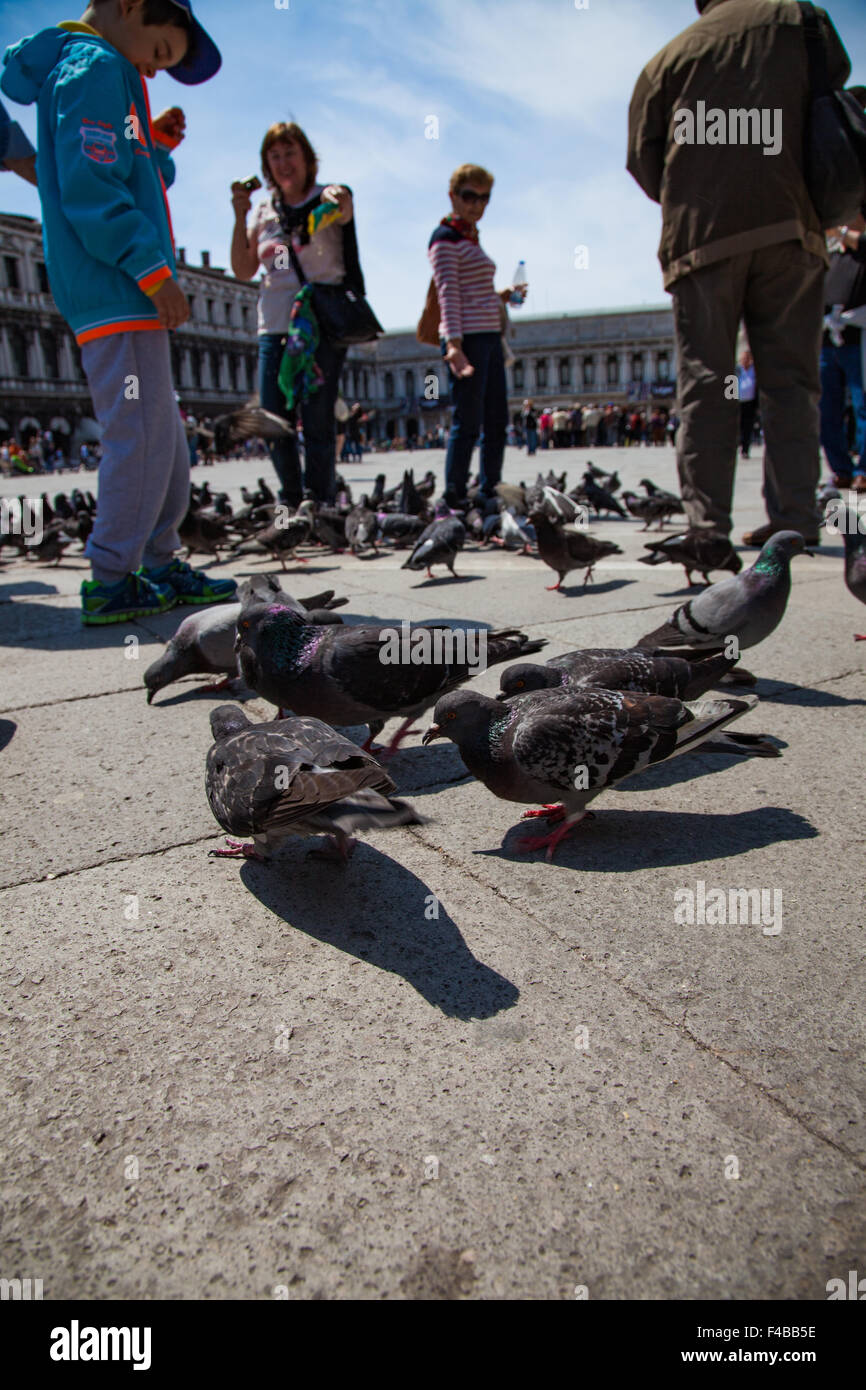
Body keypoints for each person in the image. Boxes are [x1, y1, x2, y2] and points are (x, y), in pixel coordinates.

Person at [2, 0, 234, 624]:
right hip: (115, 289)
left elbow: (124, 170)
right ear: (129, 5)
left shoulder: (103, 70)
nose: (156, 73)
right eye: (159, 54)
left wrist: (156, 144)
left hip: (118, 289)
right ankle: (110, 576)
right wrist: (152, 269)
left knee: (164, 435)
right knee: (139, 433)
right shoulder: (94, 68)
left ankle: (159, 558)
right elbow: (90, 188)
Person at [628, 0, 852, 547]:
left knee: (708, 384)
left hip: (701, 239)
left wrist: (695, 193)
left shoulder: (667, 59)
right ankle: (795, 521)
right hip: (791, 225)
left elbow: (641, 159)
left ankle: (708, 528)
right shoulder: (802, 18)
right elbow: (837, 89)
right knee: (791, 383)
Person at [231, 122, 360, 506]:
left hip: (319, 324)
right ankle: (291, 498)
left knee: (318, 418)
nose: (283, 163)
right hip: (274, 324)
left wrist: (342, 200)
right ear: (266, 164)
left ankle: (318, 502)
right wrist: (239, 215)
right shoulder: (264, 211)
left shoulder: (328, 197)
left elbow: (345, 209)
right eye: (275, 156)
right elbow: (241, 268)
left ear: (306, 157)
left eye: (290, 153)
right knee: (272, 418)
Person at [428, 163, 525, 505]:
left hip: (489, 337)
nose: (477, 205)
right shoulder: (445, 239)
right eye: (469, 196)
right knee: (467, 420)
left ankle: (489, 490)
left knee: (497, 420)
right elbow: (448, 293)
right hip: (466, 339)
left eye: (485, 198)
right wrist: (454, 346)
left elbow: (474, 293)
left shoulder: (471, 237)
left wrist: (505, 296)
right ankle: (453, 496)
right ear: (453, 196)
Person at [821, 209, 866, 490]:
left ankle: (864, 468)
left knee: (863, 406)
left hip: (858, 337)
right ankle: (841, 468)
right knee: (826, 408)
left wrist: (839, 232)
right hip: (828, 339)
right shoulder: (833, 254)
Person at [737, 348, 758, 459]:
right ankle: (736, 446)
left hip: (750, 403)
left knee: (747, 427)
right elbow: (729, 385)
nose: (745, 360)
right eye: (743, 358)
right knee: (736, 426)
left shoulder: (754, 371)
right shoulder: (736, 369)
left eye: (747, 358)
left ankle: (745, 449)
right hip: (737, 403)